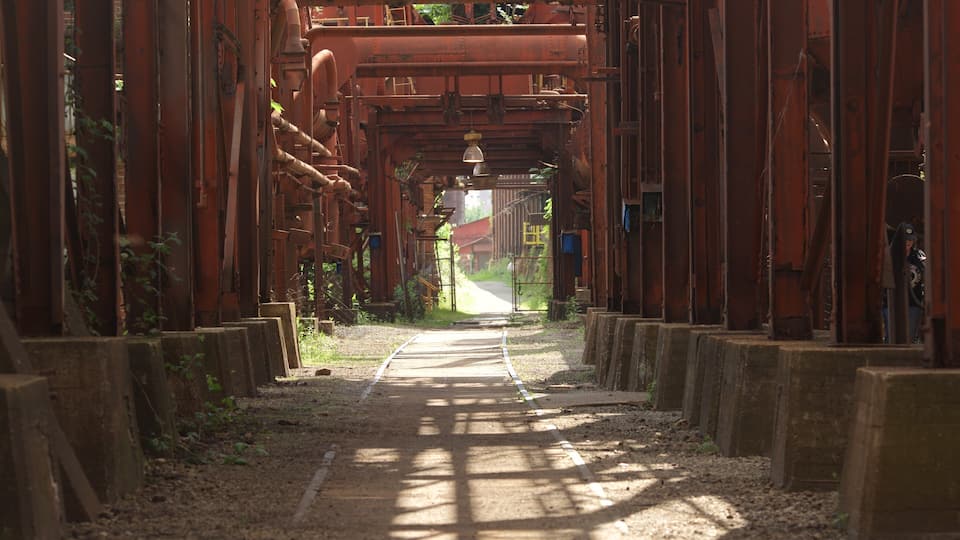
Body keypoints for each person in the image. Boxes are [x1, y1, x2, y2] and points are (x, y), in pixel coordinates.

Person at [902, 224, 926, 342]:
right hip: (896, 303)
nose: (908, 242)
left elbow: (927, 272)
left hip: (914, 302)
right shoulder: (891, 254)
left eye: (910, 239)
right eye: (905, 239)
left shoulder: (919, 255)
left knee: (910, 336)